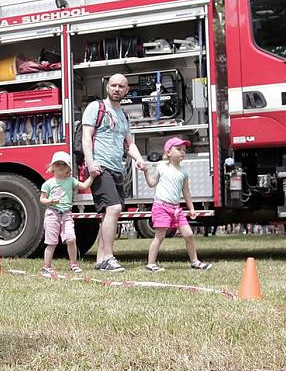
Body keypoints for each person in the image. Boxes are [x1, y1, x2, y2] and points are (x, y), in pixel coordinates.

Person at [82, 73, 146, 273]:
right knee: (114, 209)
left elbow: (130, 143)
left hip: (118, 169)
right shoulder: (96, 108)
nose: (117, 89)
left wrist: (139, 159)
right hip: (101, 168)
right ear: (107, 87)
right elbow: (86, 137)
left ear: (127, 90)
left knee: (109, 214)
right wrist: (90, 162)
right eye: (113, 85)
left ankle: (101, 259)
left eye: (121, 86)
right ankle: (109, 257)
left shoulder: (124, 115)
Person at [140, 137, 212, 272]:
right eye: (178, 149)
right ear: (168, 152)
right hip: (161, 206)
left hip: (176, 209)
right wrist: (145, 171)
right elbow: (151, 183)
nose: (182, 152)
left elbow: (186, 192)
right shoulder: (161, 167)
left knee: (189, 234)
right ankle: (150, 264)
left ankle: (195, 262)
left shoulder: (183, 172)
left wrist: (191, 208)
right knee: (160, 236)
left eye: (184, 150)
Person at [39, 151, 94, 274]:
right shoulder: (48, 184)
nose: (60, 166)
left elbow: (84, 186)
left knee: (71, 239)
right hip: (52, 214)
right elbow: (42, 199)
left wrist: (92, 176)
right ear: (52, 167)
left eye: (63, 164)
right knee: (51, 242)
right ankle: (46, 266)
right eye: (57, 164)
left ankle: (74, 264)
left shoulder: (71, 181)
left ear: (68, 168)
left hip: (67, 214)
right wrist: (50, 200)